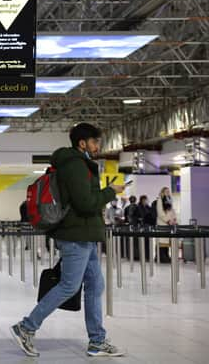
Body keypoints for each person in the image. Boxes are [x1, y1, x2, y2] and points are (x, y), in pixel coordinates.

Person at [11, 123, 125, 358]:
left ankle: (97, 341)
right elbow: (85, 202)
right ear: (82, 143)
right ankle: (26, 327)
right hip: (76, 236)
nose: (97, 146)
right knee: (69, 286)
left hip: (86, 235)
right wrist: (111, 191)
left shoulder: (79, 164)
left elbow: (86, 199)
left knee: (95, 285)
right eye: (94, 142)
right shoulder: (75, 165)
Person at [156, 187, 177, 263]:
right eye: (166, 191)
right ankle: (161, 257)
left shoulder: (169, 200)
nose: (168, 192)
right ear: (162, 192)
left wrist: (174, 219)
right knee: (162, 241)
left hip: (170, 224)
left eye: (168, 191)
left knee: (167, 241)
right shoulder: (160, 200)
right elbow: (160, 213)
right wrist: (167, 220)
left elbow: (172, 211)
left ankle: (167, 256)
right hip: (163, 223)